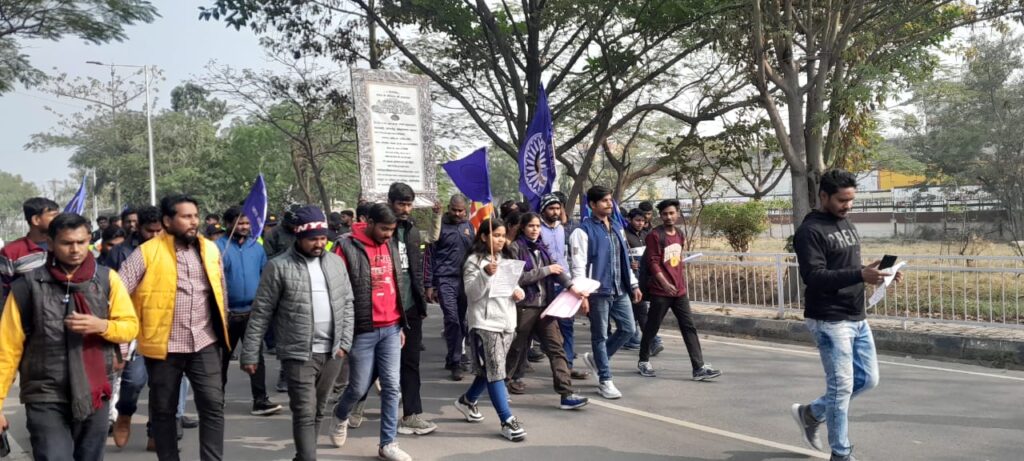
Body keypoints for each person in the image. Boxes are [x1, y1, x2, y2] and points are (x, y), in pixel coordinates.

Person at [0, 213, 139, 460]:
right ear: (50, 243)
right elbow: (7, 349)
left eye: (81, 242)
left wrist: (102, 325)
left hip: (95, 390)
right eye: (67, 243)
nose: (75, 250)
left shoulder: (107, 279)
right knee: (53, 456)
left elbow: (130, 327)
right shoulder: (26, 287)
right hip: (45, 392)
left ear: (89, 241)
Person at [790, 170, 902, 461]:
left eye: (851, 200)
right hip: (829, 319)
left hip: (856, 315)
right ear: (823, 196)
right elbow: (814, 276)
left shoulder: (845, 223)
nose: (848, 206)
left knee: (869, 379)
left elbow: (846, 267)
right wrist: (859, 274)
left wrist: (876, 272)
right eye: (842, 200)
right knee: (841, 388)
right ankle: (840, 453)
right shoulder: (809, 231)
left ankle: (811, 413)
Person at [117, 194, 231, 461]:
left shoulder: (209, 249)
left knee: (213, 405)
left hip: (204, 341)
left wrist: (223, 328)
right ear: (168, 221)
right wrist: (121, 344)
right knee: (163, 411)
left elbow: (220, 292)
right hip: (164, 346)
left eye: (195, 216)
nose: (193, 222)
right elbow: (119, 295)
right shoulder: (146, 253)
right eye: (186, 216)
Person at [242, 205, 353, 461]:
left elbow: (348, 303)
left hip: (333, 352)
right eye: (313, 239)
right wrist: (250, 352)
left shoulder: (336, 263)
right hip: (298, 353)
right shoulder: (278, 267)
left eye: (322, 238)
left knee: (318, 410)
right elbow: (261, 312)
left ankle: (304, 456)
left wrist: (344, 343)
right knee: (304, 411)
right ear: (299, 237)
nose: (319, 244)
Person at [331, 203, 413, 461]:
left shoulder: (391, 244)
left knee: (392, 387)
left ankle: (388, 443)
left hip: (391, 327)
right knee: (357, 388)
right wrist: (342, 333)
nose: (388, 234)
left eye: (392, 230)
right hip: (362, 330)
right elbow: (337, 292)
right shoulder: (346, 246)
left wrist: (400, 324)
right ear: (369, 223)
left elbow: (397, 283)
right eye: (384, 229)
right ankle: (340, 414)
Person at [452, 217, 528, 442]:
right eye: (496, 235)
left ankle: (467, 401)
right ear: (484, 237)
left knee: (490, 370)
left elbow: (514, 286)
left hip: (507, 322)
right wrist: (485, 273)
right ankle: (507, 420)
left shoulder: (507, 259)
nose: (500, 240)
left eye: (503, 236)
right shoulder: (474, 261)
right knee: (496, 370)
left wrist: (519, 293)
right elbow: (472, 293)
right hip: (484, 324)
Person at [505, 212, 590, 409]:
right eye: (531, 226)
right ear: (522, 228)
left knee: (556, 348)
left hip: (546, 307)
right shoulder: (514, 248)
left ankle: (566, 394)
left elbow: (559, 272)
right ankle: (502, 385)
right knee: (516, 348)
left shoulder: (543, 248)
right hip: (524, 307)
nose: (535, 229)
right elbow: (518, 279)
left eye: (537, 226)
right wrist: (546, 270)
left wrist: (574, 289)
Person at [636, 199, 720, 381]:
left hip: (679, 291)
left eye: (671, 213)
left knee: (689, 327)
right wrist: (664, 283)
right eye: (665, 214)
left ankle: (698, 368)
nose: (668, 217)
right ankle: (643, 360)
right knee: (652, 326)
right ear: (660, 216)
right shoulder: (654, 236)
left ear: (678, 214)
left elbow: (676, 262)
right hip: (660, 292)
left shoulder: (680, 234)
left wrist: (678, 283)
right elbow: (653, 263)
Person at [569, 185, 640, 400]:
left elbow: (624, 259)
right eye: (604, 201)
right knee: (600, 336)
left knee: (628, 329)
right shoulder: (582, 231)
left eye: (610, 200)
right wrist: (583, 294)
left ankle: (597, 359)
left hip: (619, 289)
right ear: (592, 205)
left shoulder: (617, 226)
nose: (609, 204)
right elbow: (578, 266)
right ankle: (605, 380)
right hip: (597, 292)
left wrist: (634, 284)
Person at [215, 207, 281, 417]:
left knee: (256, 357)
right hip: (226, 315)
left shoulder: (256, 247)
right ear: (228, 224)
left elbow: (265, 276)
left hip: (252, 313)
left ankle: (260, 401)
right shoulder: (218, 248)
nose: (244, 227)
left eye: (246, 223)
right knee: (221, 360)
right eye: (239, 223)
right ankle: (216, 399)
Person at [537, 194, 588, 380]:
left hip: (564, 283)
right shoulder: (537, 229)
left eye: (557, 208)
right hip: (543, 284)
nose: (555, 212)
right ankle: (516, 371)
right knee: (538, 326)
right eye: (551, 208)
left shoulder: (562, 229)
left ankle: (567, 366)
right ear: (543, 210)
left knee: (567, 325)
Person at [429, 194, 474, 381]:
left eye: (460, 210)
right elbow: (430, 256)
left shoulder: (469, 226)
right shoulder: (440, 226)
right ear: (449, 208)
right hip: (445, 279)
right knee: (452, 319)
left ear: (465, 210)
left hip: (465, 280)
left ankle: (452, 356)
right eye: (454, 210)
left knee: (462, 322)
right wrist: (430, 284)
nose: (457, 214)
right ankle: (456, 362)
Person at [1, 197, 59, 299]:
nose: (59, 220)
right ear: (36, 220)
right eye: (54, 216)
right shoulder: (10, 252)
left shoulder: (62, 246)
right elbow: (3, 290)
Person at [622, 208, 649, 352]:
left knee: (636, 309)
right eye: (637, 220)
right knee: (640, 308)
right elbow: (620, 256)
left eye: (643, 221)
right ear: (629, 220)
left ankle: (631, 337)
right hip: (631, 279)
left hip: (644, 277)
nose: (640, 223)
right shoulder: (624, 236)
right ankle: (652, 340)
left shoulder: (646, 235)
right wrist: (629, 263)